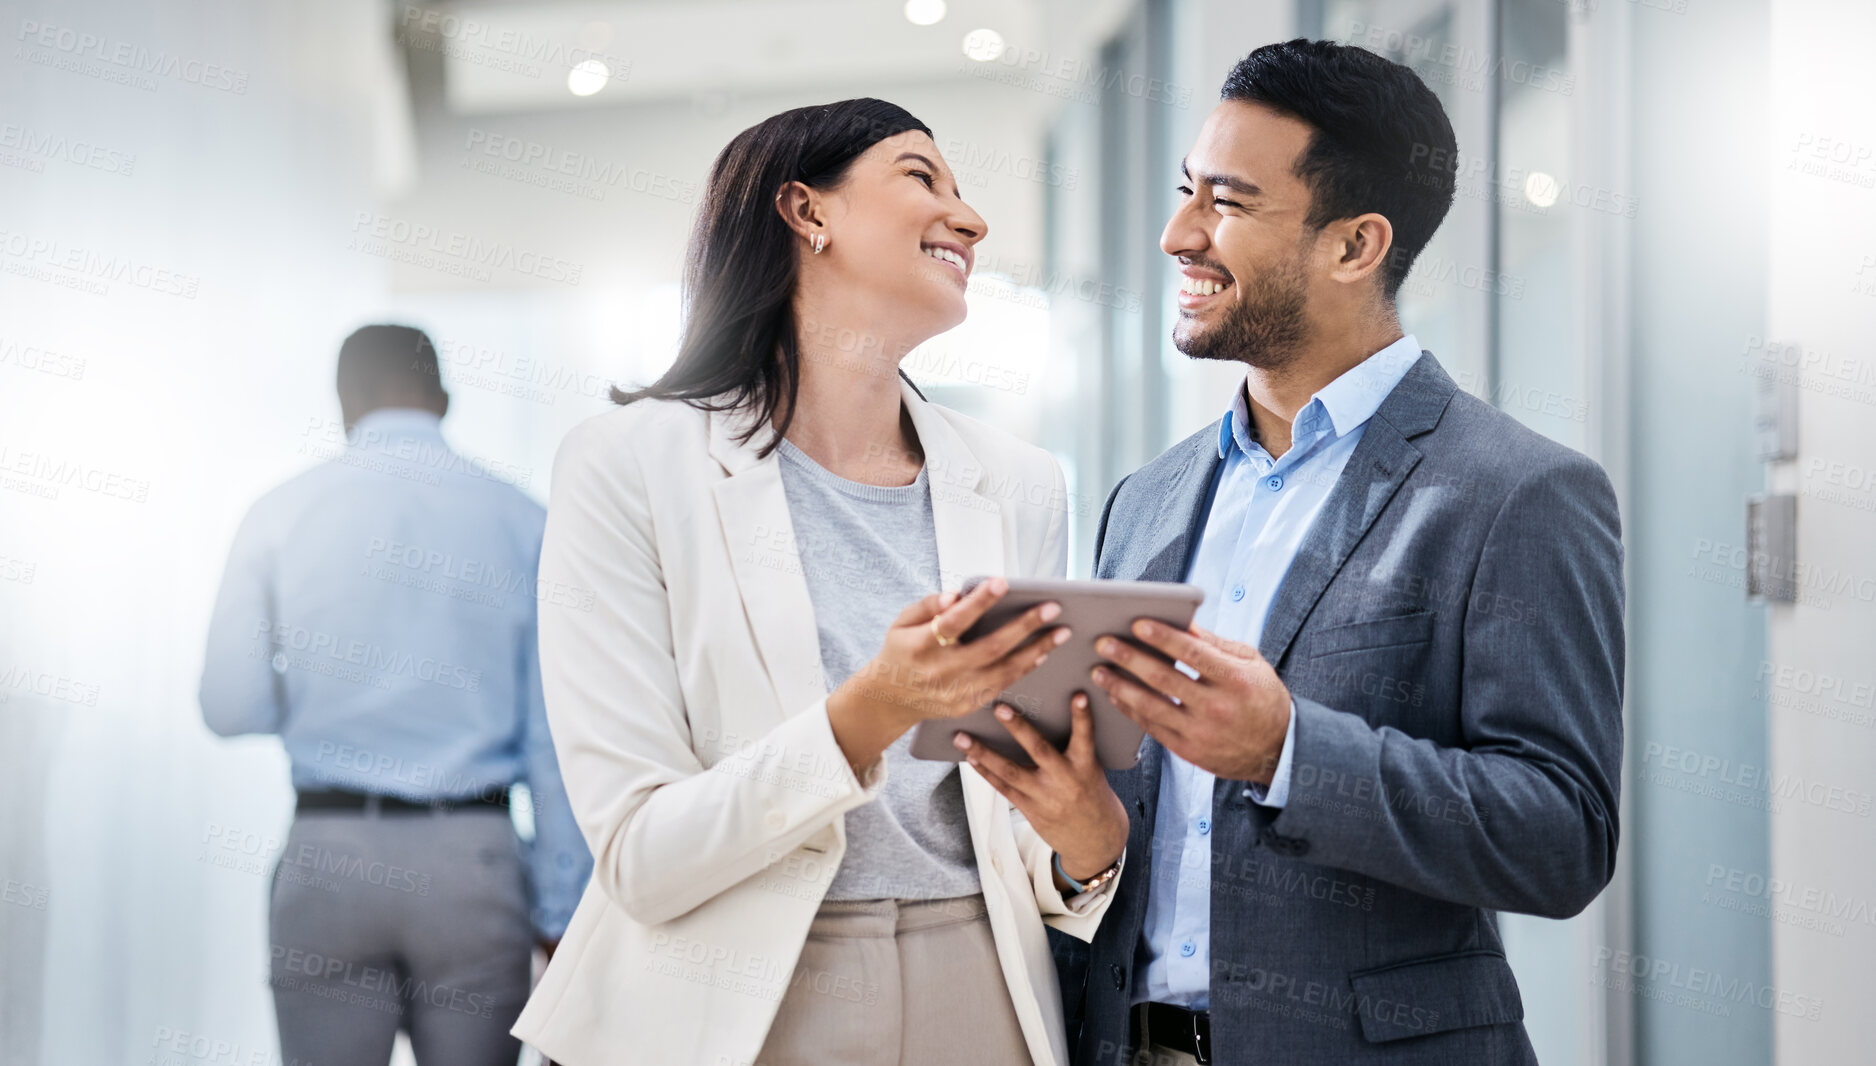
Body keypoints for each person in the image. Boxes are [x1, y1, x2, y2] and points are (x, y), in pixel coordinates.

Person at [509, 98, 1131, 1066]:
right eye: (923, 178)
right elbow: (639, 856)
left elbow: (1016, 816)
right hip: (728, 1002)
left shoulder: (1019, 480)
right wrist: (870, 712)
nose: (970, 220)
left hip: (982, 988)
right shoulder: (627, 462)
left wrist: (1085, 841)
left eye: (964, 193)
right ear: (806, 212)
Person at [1050, 40, 1625, 1065]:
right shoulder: (1145, 500)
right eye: (1187, 192)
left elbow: (1560, 835)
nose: (1176, 234)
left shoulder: (1518, 492)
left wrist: (1287, 750)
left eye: (1225, 203)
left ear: (1355, 245)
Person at [199, 325, 592, 1066]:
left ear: (345, 400)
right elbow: (555, 736)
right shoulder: (524, 519)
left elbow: (230, 706)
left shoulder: (277, 512)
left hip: (329, 854)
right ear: (442, 397)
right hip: (472, 864)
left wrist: (321, 682)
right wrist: (562, 908)